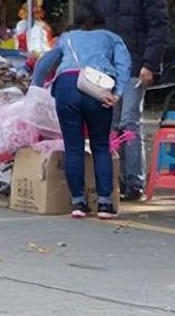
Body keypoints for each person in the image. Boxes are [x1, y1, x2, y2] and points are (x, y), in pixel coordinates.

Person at [77, 0, 169, 201]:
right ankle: (111, 178)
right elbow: (86, 18)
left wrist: (150, 64)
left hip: (136, 63)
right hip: (106, 67)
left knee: (129, 121)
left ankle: (133, 182)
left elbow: (158, 26)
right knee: (108, 122)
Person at [32, 16, 132, 219]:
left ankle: (78, 203)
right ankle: (104, 204)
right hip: (97, 89)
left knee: (73, 146)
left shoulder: (67, 37)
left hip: (67, 86)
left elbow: (44, 62)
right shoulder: (112, 37)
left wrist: (35, 86)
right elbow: (124, 65)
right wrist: (118, 93)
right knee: (101, 146)